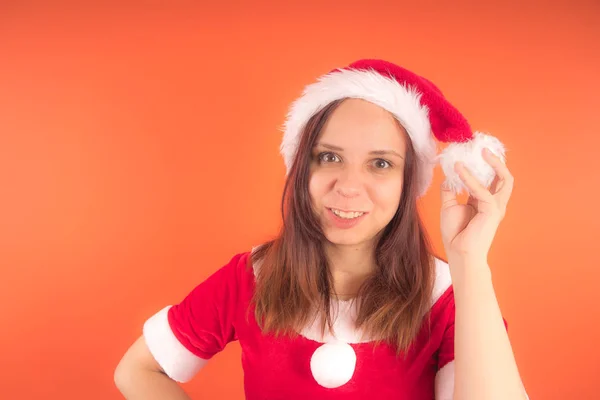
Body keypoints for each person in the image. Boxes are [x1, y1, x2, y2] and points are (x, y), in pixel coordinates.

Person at [114, 59, 529, 399]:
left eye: (380, 163)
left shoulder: (448, 300)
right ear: (301, 169)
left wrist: (469, 261)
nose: (348, 187)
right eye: (329, 157)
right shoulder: (252, 278)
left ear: (407, 182)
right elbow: (137, 370)